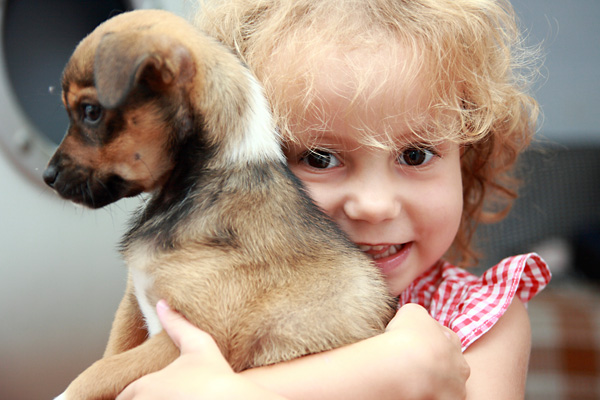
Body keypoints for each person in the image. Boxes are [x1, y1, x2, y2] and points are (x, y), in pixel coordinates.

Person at [117, 0, 551, 398]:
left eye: (415, 155)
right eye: (320, 158)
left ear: (467, 158)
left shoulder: (483, 318)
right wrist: (397, 370)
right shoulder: (212, 295)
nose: (374, 205)